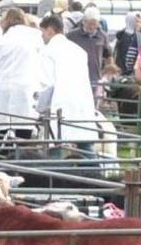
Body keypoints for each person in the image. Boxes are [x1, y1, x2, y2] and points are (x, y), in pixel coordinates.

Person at [38, 14, 104, 148]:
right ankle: (93, 168)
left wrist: (40, 108)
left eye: (43, 32)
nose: (42, 36)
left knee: (57, 146)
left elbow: (48, 84)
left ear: (50, 30)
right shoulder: (78, 50)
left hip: (61, 105)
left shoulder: (48, 51)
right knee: (85, 145)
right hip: (82, 104)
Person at [0, 6, 48, 139]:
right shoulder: (35, 36)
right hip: (26, 87)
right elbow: (42, 61)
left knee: (2, 126)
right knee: (24, 124)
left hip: (4, 87)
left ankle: (0, 155)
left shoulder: (2, 39)